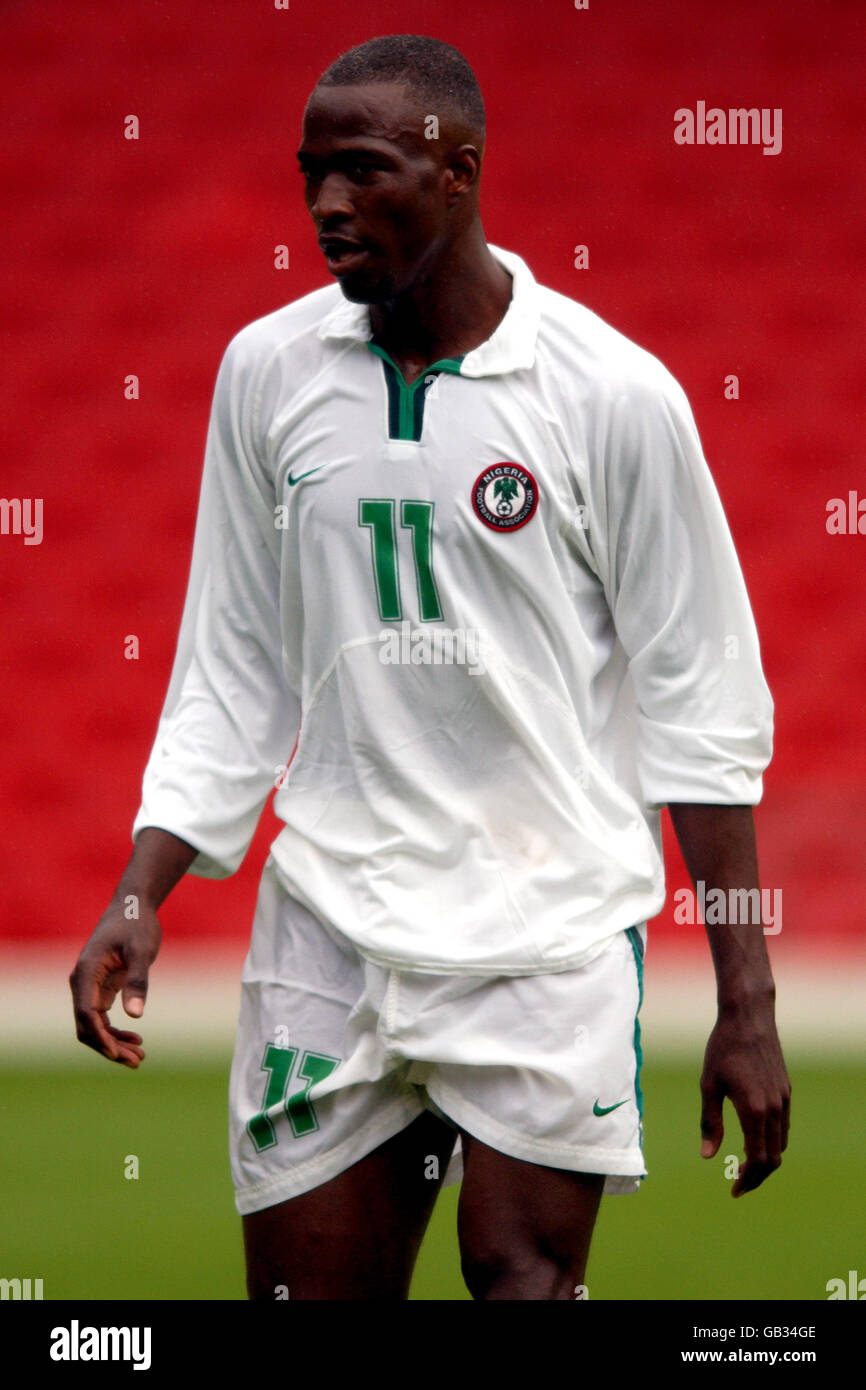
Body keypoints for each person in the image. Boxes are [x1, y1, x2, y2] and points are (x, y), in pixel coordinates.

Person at [70, 34, 790, 1301]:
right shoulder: (267, 374)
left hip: (543, 935)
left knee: (521, 1278)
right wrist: (142, 890)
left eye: (360, 172)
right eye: (310, 175)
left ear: (456, 171)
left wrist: (745, 1001)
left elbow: (703, 709)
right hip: (331, 934)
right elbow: (232, 666)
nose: (325, 207)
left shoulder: (611, 395)